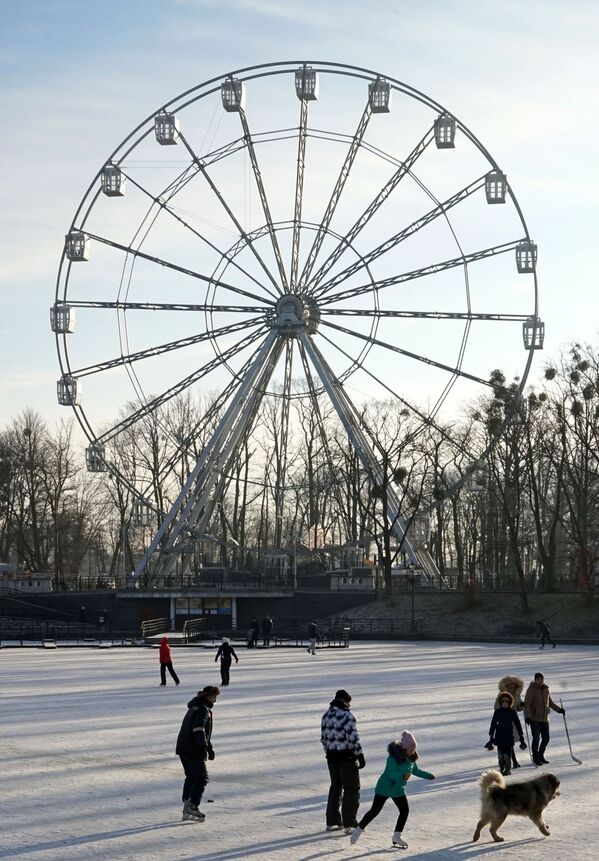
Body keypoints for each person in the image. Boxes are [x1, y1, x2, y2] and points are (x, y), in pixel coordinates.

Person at [350, 730, 435, 849]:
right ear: (404, 748)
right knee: (375, 810)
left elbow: (415, 770)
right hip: (385, 787)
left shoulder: (410, 759)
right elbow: (391, 773)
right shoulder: (393, 758)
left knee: (404, 811)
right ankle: (358, 830)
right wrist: (404, 775)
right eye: (410, 750)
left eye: (413, 750)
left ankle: (397, 836)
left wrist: (429, 776)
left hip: (398, 789)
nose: (412, 752)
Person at [321, 689, 365, 834]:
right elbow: (353, 739)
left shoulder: (326, 716)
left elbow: (323, 739)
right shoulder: (346, 716)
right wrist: (360, 756)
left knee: (335, 787)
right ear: (345, 701)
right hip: (346, 758)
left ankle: (333, 821)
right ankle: (349, 823)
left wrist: (329, 753)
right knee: (352, 789)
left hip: (332, 758)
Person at [175, 685, 220, 821]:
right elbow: (198, 729)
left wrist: (209, 746)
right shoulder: (202, 709)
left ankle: (187, 805)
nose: (215, 700)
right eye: (214, 697)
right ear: (207, 696)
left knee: (191, 777)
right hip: (192, 748)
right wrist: (203, 747)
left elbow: (201, 731)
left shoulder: (195, 706)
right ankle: (192, 806)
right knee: (201, 778)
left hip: (183, 747)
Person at [523, 672, 565, 765]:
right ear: (535, 680)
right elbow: (527, 704)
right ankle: (536, 757)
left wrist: (559, 710)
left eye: (541, 679)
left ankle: (540, 755)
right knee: (536, 738)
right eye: (538, 679)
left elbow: (550, 703)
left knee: (546, 738)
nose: (540, 681)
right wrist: (528, 717)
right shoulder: (531, 689)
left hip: (545, 718)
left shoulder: (546, 689)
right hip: (534, 718)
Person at [485, 690, 526, 775]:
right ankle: (501, 768)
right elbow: (493, 724)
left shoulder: (512, 712)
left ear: (510, 702)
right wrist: (491, 736)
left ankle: (507, 770)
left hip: (509, 736)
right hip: (499, 735)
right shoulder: (497, 712)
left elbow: (517, 724)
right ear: (500, 702)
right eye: (503, 701)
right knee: (500, 755)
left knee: (507, 755)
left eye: (506, 701)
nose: (504, 703)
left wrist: (521, 736)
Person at [494, 675, 524, 768]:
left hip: (513, 721)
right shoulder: (502, 695)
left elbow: (519, 709)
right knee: (508, 742)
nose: (512, 688)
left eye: (513, 686)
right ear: (506, 686)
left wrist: (522, 705)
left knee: (512, 742)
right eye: (510, 686)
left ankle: (510, 760)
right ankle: (512, 761)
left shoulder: (517, 695)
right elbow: (496, 707)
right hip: (504, 722)